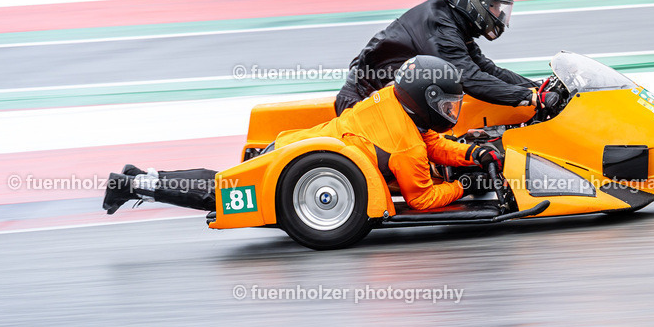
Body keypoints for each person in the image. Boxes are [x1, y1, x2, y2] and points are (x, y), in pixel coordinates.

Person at [102, 56, 503, 216]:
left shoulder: (391, 103)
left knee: (220, 178)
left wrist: (471, 154)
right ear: (425, 98)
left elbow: (433, 144)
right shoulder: (408, 147)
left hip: (294, 145)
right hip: (296, 166)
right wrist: (465, 186)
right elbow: (423, 199)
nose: (451, 113)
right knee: (220, 192)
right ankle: (133, 184)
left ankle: (142, 175)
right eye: (448, 105)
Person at [335, 0, 558, 114]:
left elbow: (487, 70)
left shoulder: (452, 22)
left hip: (390, 101)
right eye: (494, 6)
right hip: (362, 105)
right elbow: (470, 80)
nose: (498, 14)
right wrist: (530, 99)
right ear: (474, 1)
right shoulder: (439, 27)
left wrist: (539, 89)